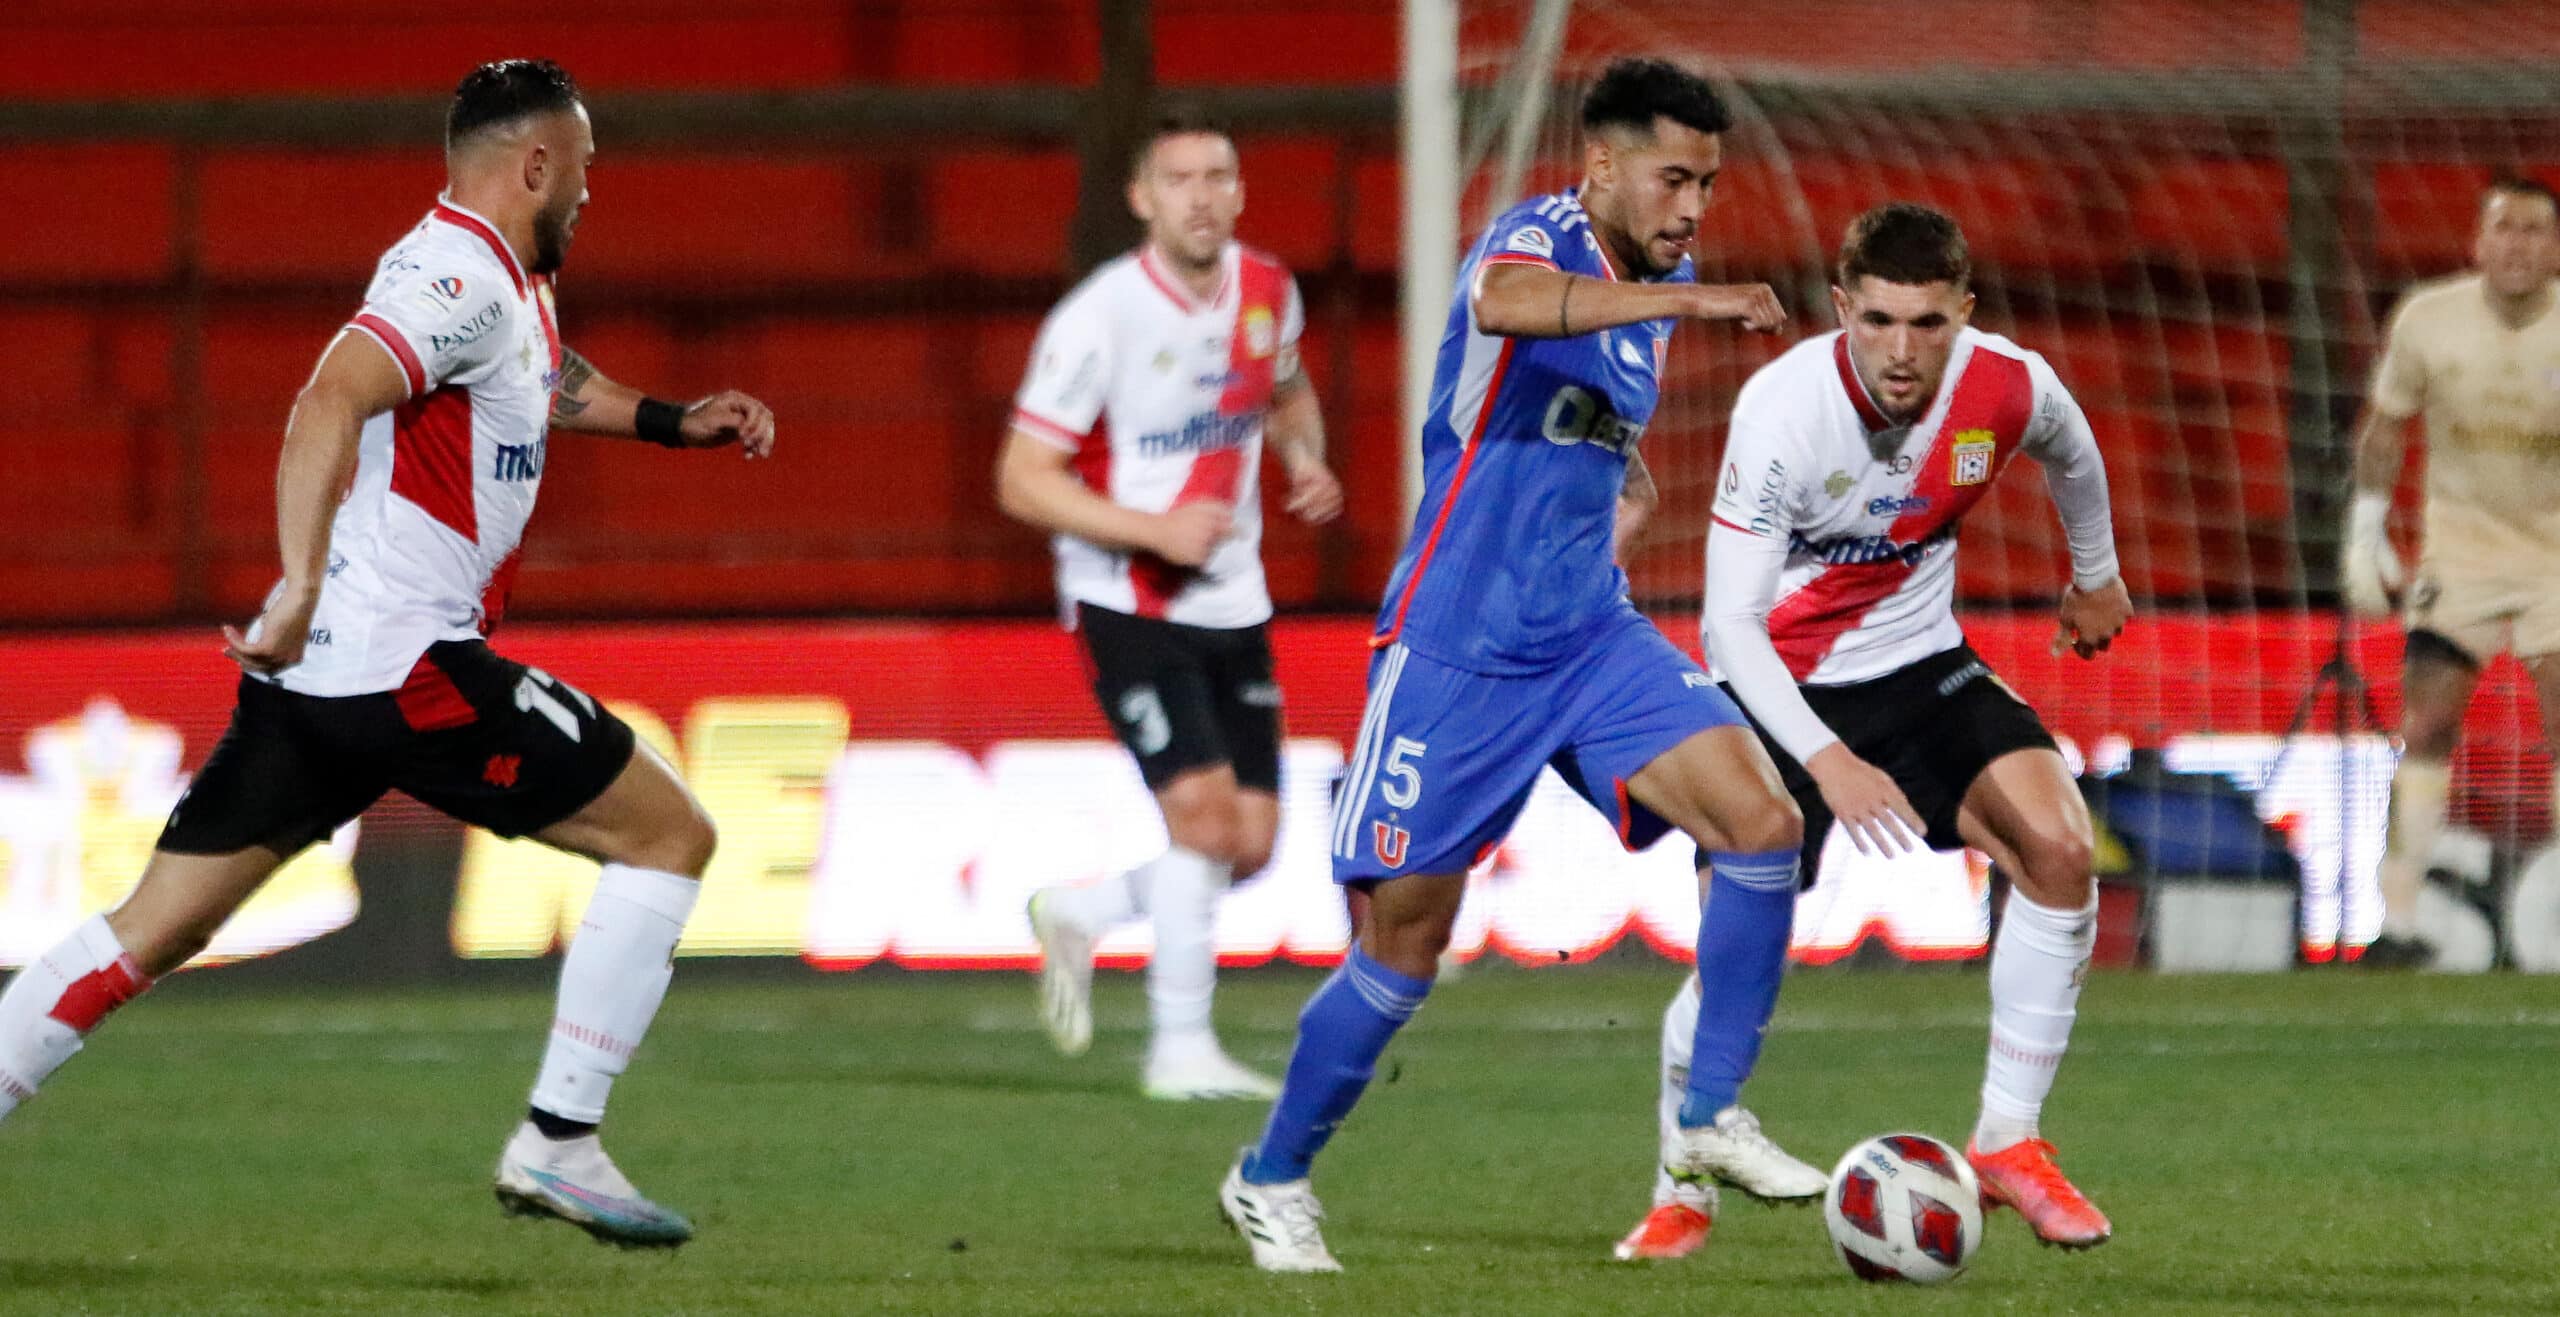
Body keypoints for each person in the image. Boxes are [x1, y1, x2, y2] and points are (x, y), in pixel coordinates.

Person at [0, 59, 777, 1250]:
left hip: (318, 690)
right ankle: (559, 1141)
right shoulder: (459, 274)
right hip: (402, 666)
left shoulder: (494, 277)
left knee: (149, 930)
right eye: (583, 167)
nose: (589, 190)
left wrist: (673, 420)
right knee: (671, 835)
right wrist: (297, 579)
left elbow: (544, 382)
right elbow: (328, 399)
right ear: (535, 166)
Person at [1214, 58, 1818, 1274]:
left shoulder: (1662, 279)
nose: (1692, 209)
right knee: (1403, 940)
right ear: (1600, 167)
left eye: (1706, 183)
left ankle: (1707, 1119)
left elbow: (1603, 449)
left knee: (1760, 825)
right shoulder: (1539, 238)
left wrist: (1613, 510)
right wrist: (1689, 310)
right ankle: (1269, 1178)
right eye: (1671, 178)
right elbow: (1502, 302)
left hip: (1589, 637)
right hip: (1454, 649)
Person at [1614, 201, 2130, 1262]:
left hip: (1917, 662)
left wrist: (2095, 574)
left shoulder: (2005, 383)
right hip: (1778, 693)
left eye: (1928, 325)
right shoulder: (1782, 413)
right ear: (1842, 307)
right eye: (1880, 321)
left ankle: (2007, 1142)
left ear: (1963, 315)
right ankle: (1681, 1186)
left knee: (2060, 849)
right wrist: (1827, 759)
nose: (1901, 353)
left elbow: (2071, 449)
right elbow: (1730, 626)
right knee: (1730, 955)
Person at [997, 107, 1345, 1101]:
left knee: (1252, 843)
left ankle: (1085, 908)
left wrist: (1304, 456)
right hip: (1127, 592)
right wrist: (1150, 533)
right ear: (1143, 200)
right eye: (1180, 180)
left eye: (1219, 176)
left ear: (1239, 190)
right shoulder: (1099, 319)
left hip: (1233, 597)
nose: (1203, 196)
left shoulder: (1267, 290)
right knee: (1201, 819)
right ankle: (1178, 1050)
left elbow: (1284, 388)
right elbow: (1023, 479)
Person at [2342, 176, 2560, 969]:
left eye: (2537, 230)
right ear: (2478, 241)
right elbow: (2385, 428)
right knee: (2426, 725)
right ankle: (2398, 925)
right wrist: (2365, 536)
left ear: (2556, 248)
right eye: (2505, 227)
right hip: (2458, 554)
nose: (2519, 244)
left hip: (2554, 555)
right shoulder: (2429, 316)